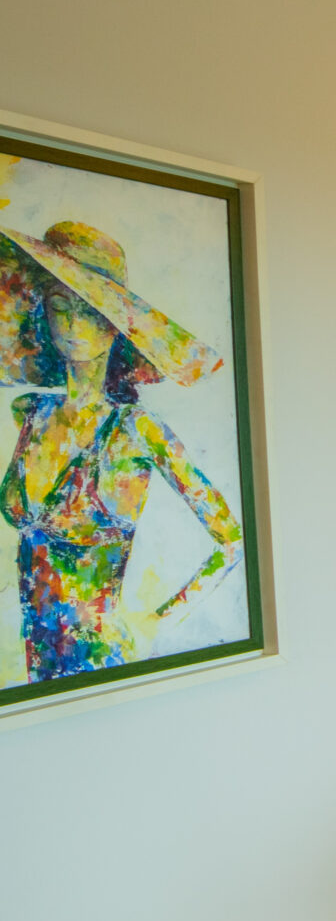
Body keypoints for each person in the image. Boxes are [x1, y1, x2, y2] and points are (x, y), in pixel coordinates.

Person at [0, 217, 239, 682]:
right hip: (35, 674)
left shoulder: (136, 429)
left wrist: (154, 622)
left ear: (115, 325)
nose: (72, 323)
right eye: (59, 306)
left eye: (89, 310)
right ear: (43, 315)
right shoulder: (28, 412)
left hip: (103, 663)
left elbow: (230, 541)